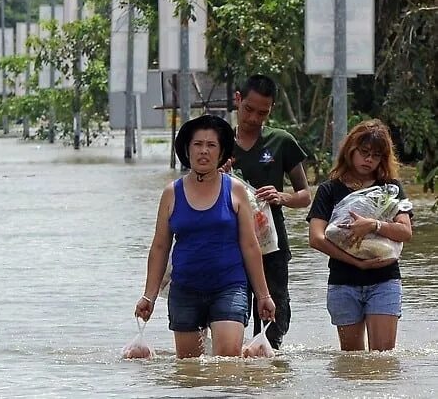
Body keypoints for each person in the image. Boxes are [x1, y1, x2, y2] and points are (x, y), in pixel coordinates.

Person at [135, 115, 276, 358]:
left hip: (230, 286)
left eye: (211, 145)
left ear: (221, 153)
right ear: (187, 150)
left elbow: (250, 245)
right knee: (190, 371)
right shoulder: (171, 193)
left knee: (226, 361)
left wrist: (264, 295)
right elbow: (160, 247)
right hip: (185, 290)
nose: (204, 151)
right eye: (197, 144)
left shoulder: (235, 190)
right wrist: (149, 296)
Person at [307, 119, 412, 351]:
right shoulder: (329, 189)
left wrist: (373, 225)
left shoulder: (392, 188)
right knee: (352, 361)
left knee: (382, 358)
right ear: (350, 150)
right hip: (344, 281)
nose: (369, 160)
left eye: (376, 155)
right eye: (364, 152)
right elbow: (316, 238)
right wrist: (358, 263)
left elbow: (405, 231)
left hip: (384, 279)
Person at [229, 74, 311, 349]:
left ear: (271, 109)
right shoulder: (217, 142)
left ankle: (268, 377)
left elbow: (305, 196)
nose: (253, 118)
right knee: (230, 311)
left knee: (271, 316)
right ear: (238, 100)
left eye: (262, 113)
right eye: (248, 109)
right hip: (230, 244)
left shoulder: (281, 141)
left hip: (271, 244)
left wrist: (282, 197)